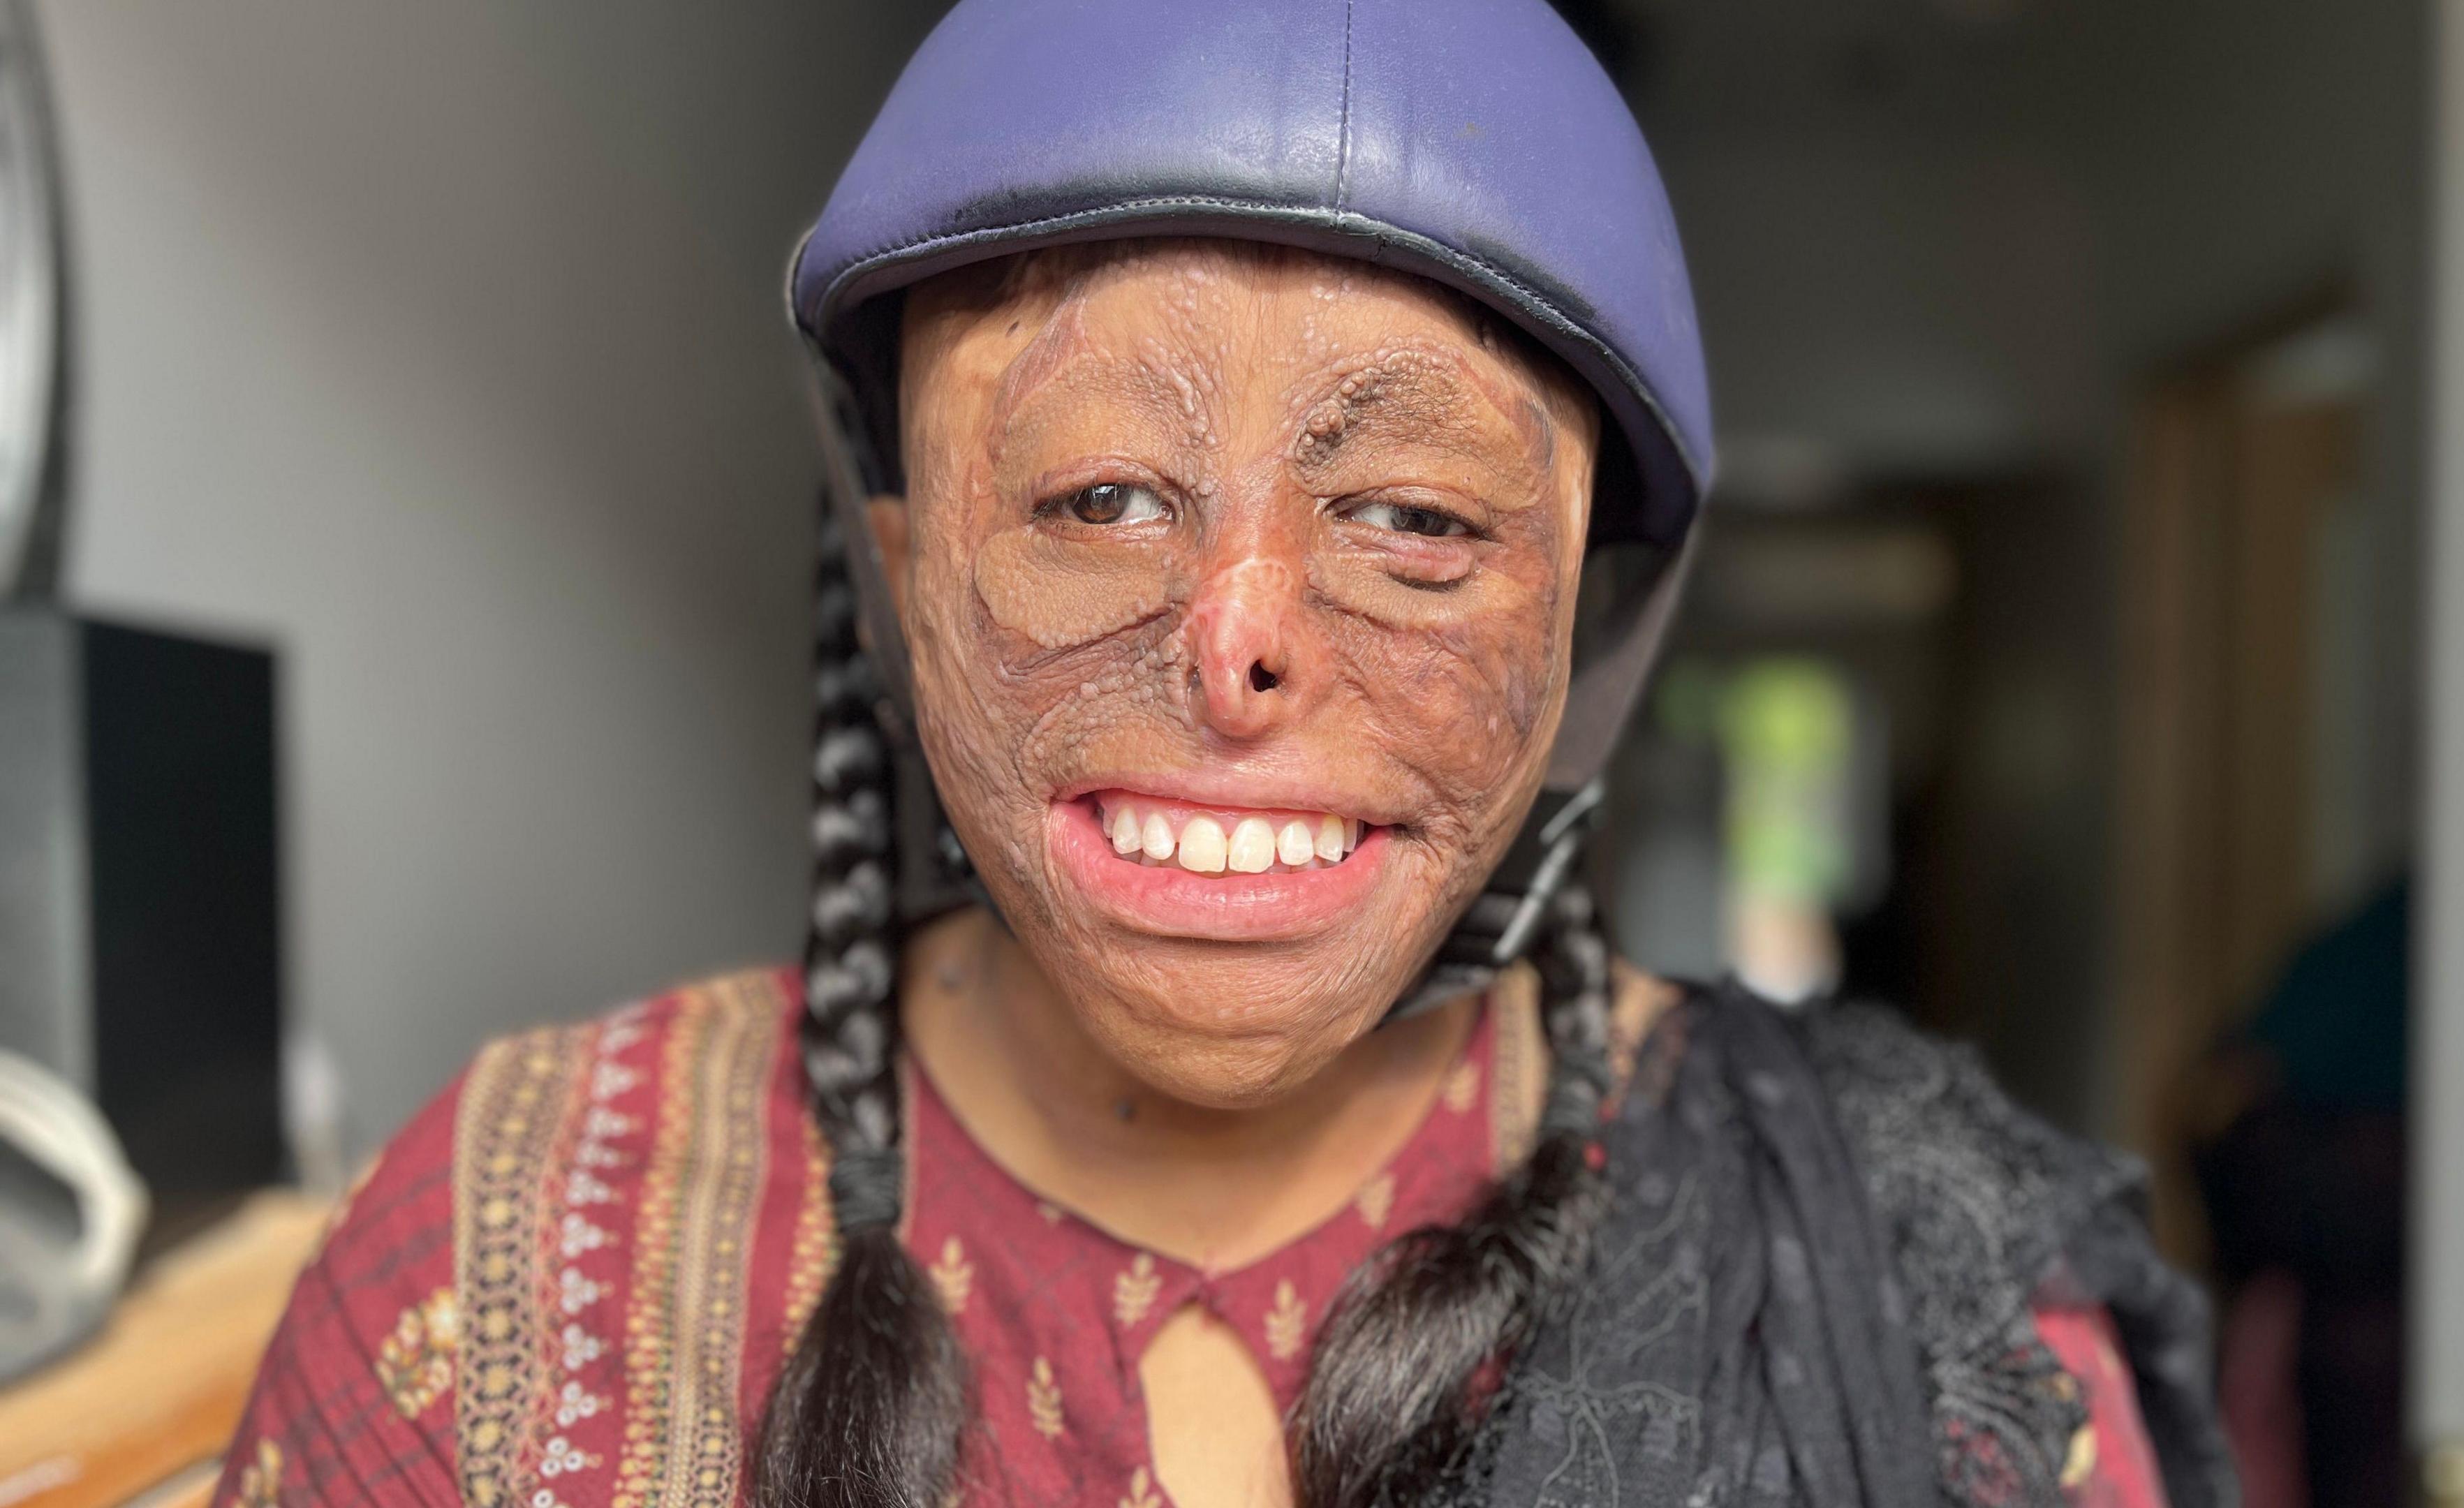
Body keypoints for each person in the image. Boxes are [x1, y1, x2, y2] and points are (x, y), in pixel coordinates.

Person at [215, 2, 2233, 1505]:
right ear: (906, 563)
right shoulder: (503, 1248)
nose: (1239, 640)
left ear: (1591, 634)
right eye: (1097, 494)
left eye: (1421, 520)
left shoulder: (1918, 1280)